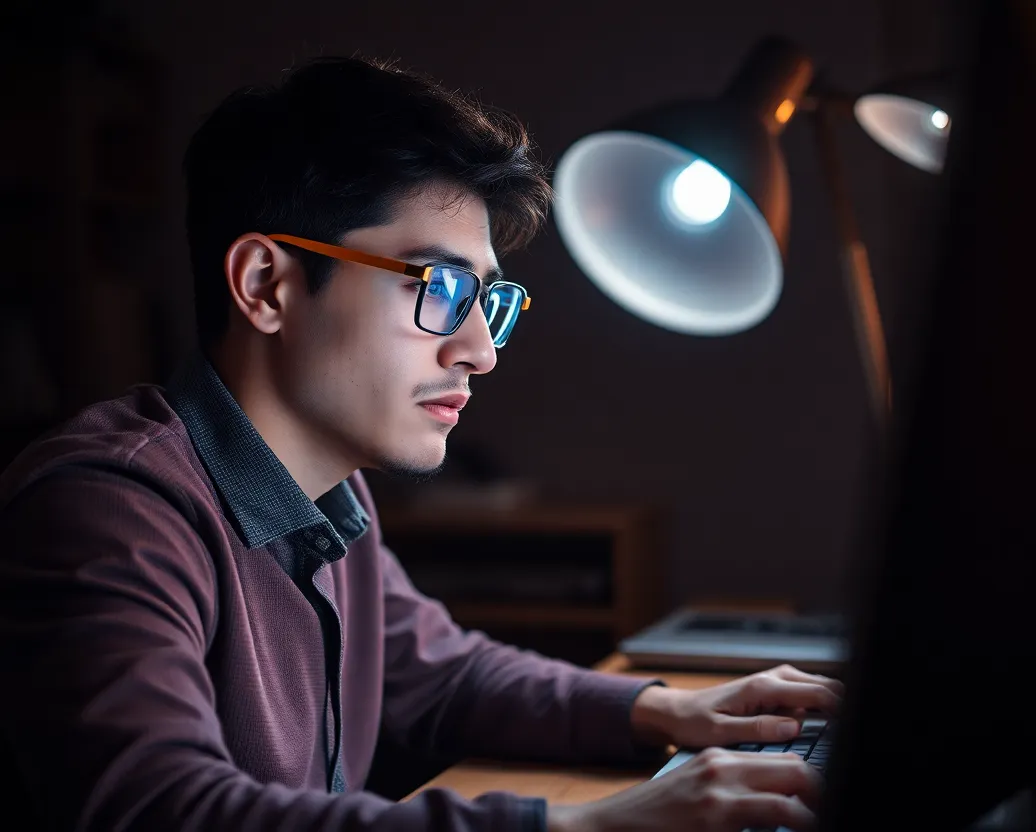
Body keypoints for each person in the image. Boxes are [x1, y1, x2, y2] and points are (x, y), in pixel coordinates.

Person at [0, 57, 842, 832]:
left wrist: (667, 710)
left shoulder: (331, 494)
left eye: (488, 302)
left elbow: (441, 673)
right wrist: (587, 825)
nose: (478, 350)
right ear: (266, 285)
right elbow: (161, 808)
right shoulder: (109, 506)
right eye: (439, 288)